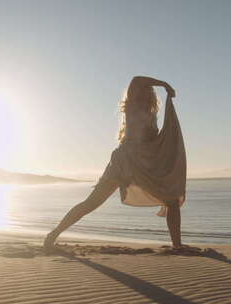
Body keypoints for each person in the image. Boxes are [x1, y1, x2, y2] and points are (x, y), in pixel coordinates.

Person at [44, 76, 187, 249]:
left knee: (172, 200)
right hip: (124, 160)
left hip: (143, 163)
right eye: (145, 88)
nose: (145, 90)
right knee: (92, 202)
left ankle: (177, 246)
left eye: (147, 89)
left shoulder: (151, 113)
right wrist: (165, 85)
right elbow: (137, 80)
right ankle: (53, 234)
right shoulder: (132, 104)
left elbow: (152, 140)